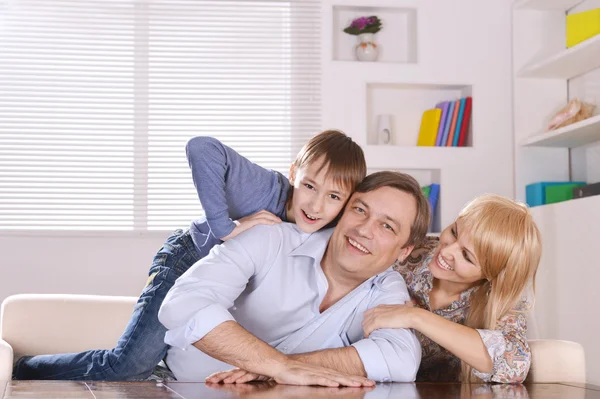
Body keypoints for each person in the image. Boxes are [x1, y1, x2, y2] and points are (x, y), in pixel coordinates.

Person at [13, 130, 367, 381]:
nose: (317, 205)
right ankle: (24, 368)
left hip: (221, 286)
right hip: (186, 261)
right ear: (294, 174)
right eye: (309, 186)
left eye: (334, 197)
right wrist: (224, 227)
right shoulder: (266, 189)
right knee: (127, 367)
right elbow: (201, 147)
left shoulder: (331, 230)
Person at [157, 171, 431, 384]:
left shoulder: (387, 287)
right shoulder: (271, 238)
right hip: (180, 386)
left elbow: (400, 358)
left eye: (386, 226)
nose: (364, 230)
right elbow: (182, 303)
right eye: (360, 210)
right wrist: (279, 367)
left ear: (404, 251)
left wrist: (274, 368)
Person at [361, 194, 542, 383]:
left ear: (491, 273)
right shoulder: (411, 251)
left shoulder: (500, 304)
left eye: (466, 256)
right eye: (454, 232)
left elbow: (516, 364)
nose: (446, 251)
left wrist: (416, 317)